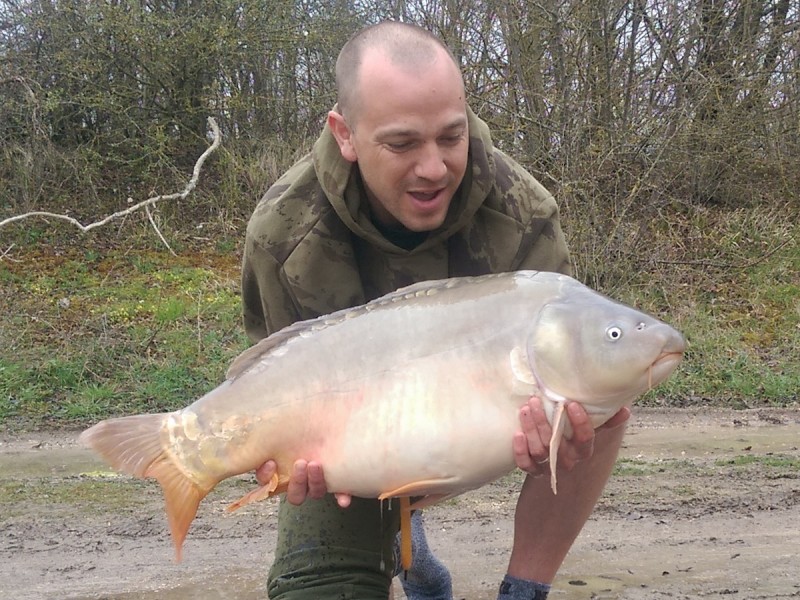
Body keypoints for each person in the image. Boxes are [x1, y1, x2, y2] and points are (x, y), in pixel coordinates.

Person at [241, 20, 630, 600]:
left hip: (480, 414)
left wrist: (556, 419)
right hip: (361, 430)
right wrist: (288, 453)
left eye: (452, 136)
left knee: (599, 411)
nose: (434, 167)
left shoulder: (522, 215)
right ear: (345, 134)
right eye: (402, 144)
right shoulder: (285, 236)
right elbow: (280, 389)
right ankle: (411, 552)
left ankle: (523, 591)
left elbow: (571, 360)